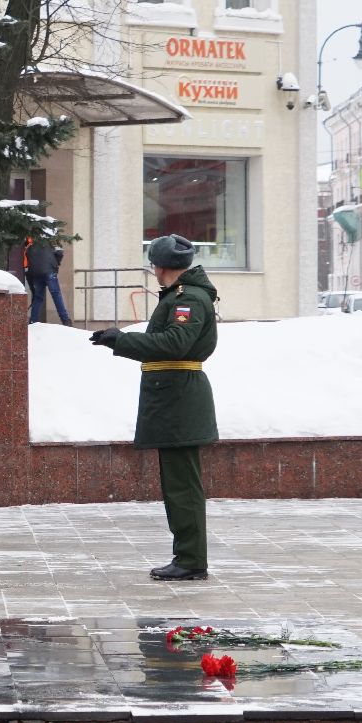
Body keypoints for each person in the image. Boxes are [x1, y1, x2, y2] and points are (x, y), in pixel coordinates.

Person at [90, 234, 218, 580]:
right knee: (178, 482)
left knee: (182, 484)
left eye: (154, 265)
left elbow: (177, 342)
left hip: (180, 400)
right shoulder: (183, 296)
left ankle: (191, 560)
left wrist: (123, 340)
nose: (154, 271)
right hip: (173, 397)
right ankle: (188, 556)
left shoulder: (188, 298)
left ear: (161, 266)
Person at [25, 232, 72, 325]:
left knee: (38, 297)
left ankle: (33, 320)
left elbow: (28, 259)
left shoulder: (30, 244)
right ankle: (65, 320)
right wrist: (56, 265)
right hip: (49, 272)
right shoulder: (51, 240)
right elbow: (59, 253)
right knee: (56, 295)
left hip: (36, 273)